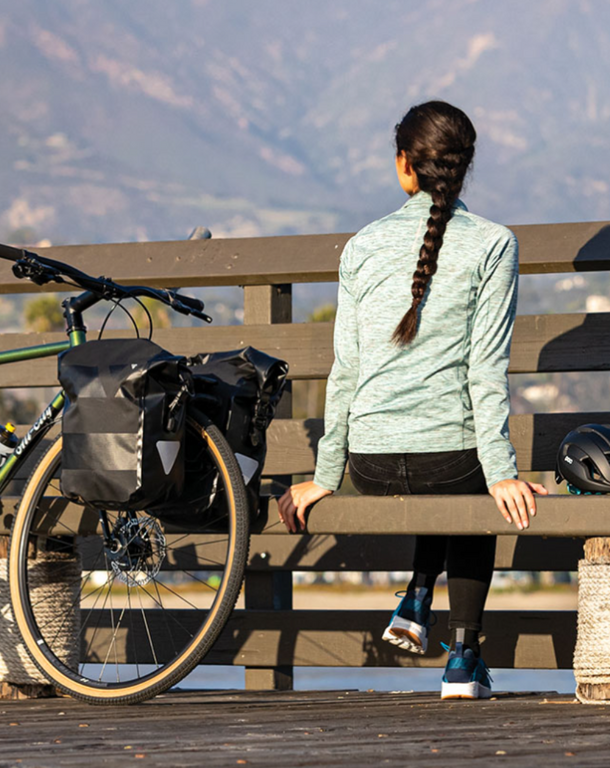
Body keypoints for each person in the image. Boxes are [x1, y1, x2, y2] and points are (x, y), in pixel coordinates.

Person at [277, 101, 547, 700]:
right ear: (465, 166)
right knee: (473, 484)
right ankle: (463, 658)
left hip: (369, 463)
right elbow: (485, 369)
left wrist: (326, 475)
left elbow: (344, 369)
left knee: (447, 476)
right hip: (449, 462)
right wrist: (503, 473)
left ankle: (417, 596)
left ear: (404, 165)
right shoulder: (493, 244)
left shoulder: (362, 245)